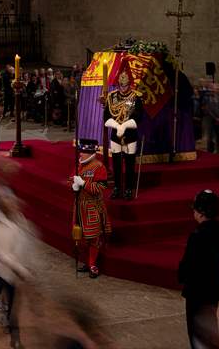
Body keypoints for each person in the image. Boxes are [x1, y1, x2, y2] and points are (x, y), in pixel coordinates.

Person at [178, 189, 219, 349]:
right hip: (214, 285)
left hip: (197, 288)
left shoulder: (197, 235)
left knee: (197, 332)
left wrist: (182, 275)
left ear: (200, 212)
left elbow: (189, 262)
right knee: (210, 328)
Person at [0, 186, 33, 349]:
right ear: (2, 204)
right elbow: (1, 252)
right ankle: (1, 309)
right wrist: (21, 269)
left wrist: (27, 264)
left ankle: (15, 337)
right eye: (9, 200)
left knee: (13, 304)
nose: (14, 203)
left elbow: (25, 243)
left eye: (13, 200)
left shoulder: (20, 218)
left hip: (13, 273)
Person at [71, 139, 111, 278]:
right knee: (81, 236)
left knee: (93, 237)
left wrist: (83, 183)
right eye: (80, 151)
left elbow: (101, 187)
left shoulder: (99, 167)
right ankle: (86, 262)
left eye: (83, 152)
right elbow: (72, 179)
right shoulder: (79, 165)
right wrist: (74, 186)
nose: (80, 154)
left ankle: (92, 264)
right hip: (79, 206)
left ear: (90, 153)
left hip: (92, 206)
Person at [103, 68, 143, 200]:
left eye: (125, 85)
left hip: (130, 135)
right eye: (121, 85)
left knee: (130, 164)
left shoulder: (136, 97)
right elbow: (106, 116)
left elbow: (138, 117)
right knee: (116, 163)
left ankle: (129, 188)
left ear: (130, 84)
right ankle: (117, 187)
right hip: (115, 134)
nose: (123, 87)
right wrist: (117, 126)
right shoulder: (112, 96)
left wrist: (125, 126)